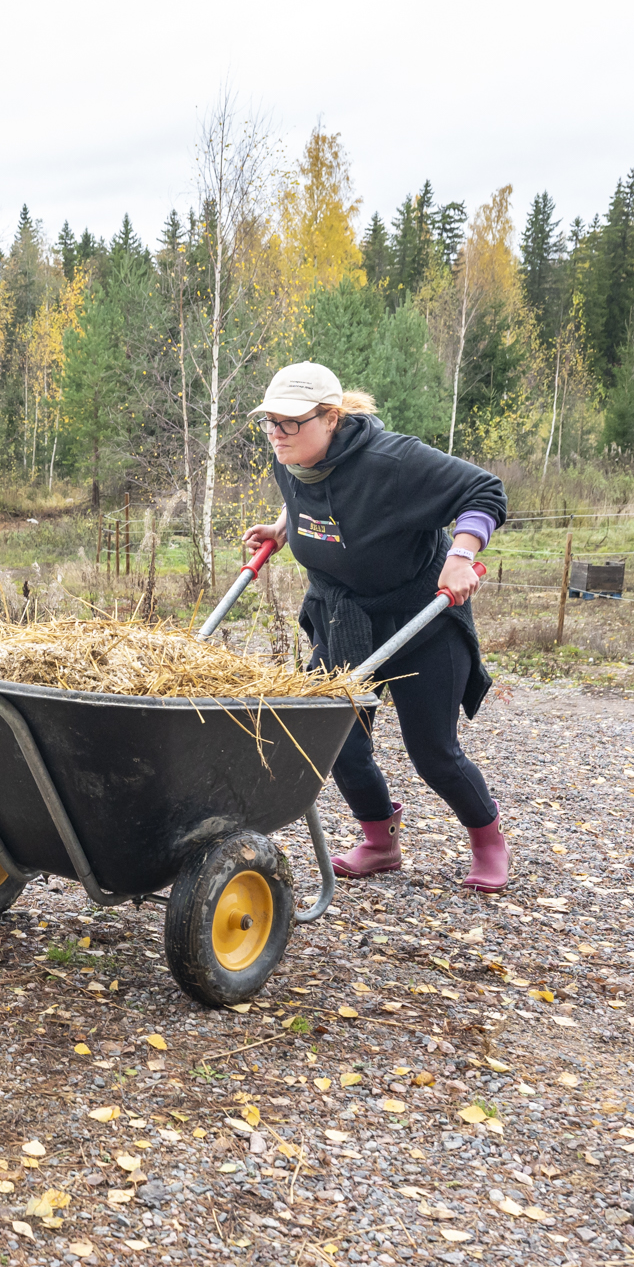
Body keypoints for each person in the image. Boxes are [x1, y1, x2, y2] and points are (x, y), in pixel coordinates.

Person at [240, 361, 510, 892]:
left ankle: (487, 840)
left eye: (290, 422)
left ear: (331, 418)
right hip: (344, 620)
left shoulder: (394, 461)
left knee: (432, 750)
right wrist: (283, 525)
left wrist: (461, 553)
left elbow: (485, 491)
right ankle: (380, 842)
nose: (276, 432)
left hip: (419, 621)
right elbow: (317, 499)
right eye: (270, 420)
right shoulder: (290, 457)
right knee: (335, 741)